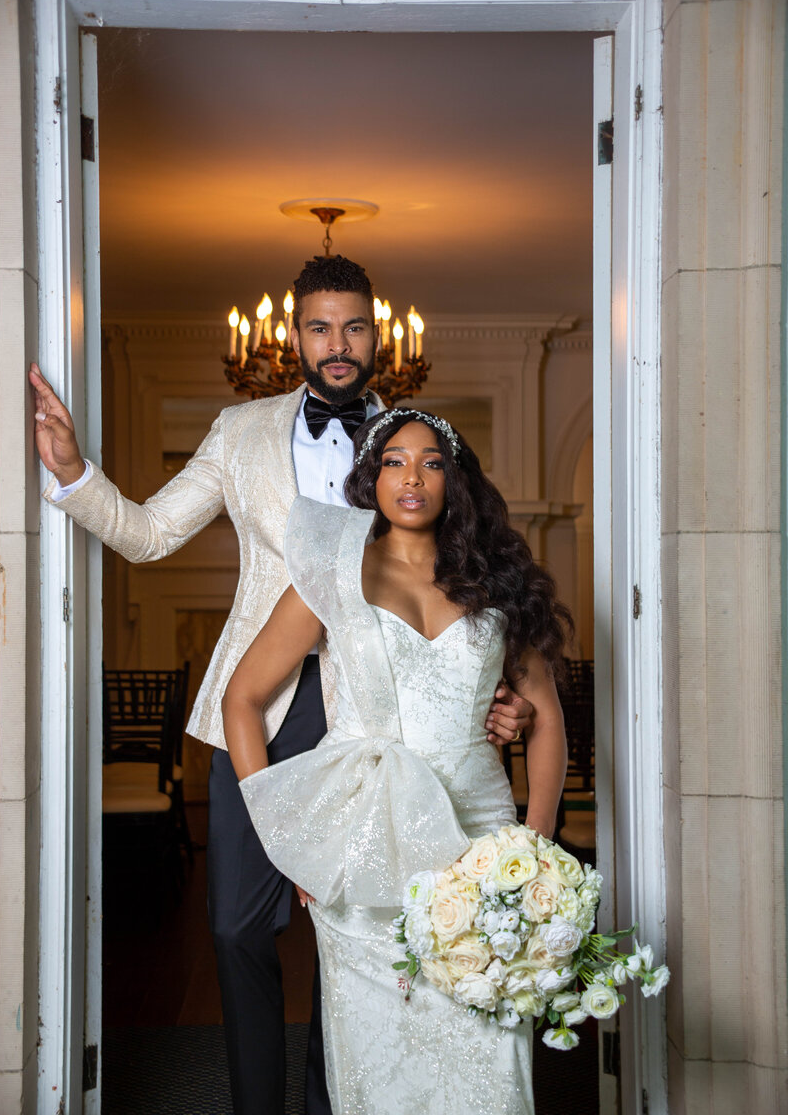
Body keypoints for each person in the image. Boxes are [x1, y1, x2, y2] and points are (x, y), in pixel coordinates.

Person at [29, 256, 534, 1115]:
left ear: (379, 335)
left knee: (371, 933)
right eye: (319, 327)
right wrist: (75, 472)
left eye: (355, 327)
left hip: (376, 722)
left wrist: (494, 694)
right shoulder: (241, 430)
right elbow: (150, 534)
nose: (338, 346)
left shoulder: (415, 445)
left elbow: (464, 577)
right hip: (256, 706)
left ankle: (341, 1094)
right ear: (293, 336)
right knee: (234, 926)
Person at [222, 409, 571, 1115]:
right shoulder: (331, 579)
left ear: (455, 480)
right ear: (371, 478)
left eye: (432, 462)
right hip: (365, 850)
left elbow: (548, 722)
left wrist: (533, 850)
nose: (412, 477)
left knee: (488, 1052)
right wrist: (292, 841)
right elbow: (243, 699)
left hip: (481, 847)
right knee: (377, 1065)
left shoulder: (493, 581)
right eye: (394, 461)